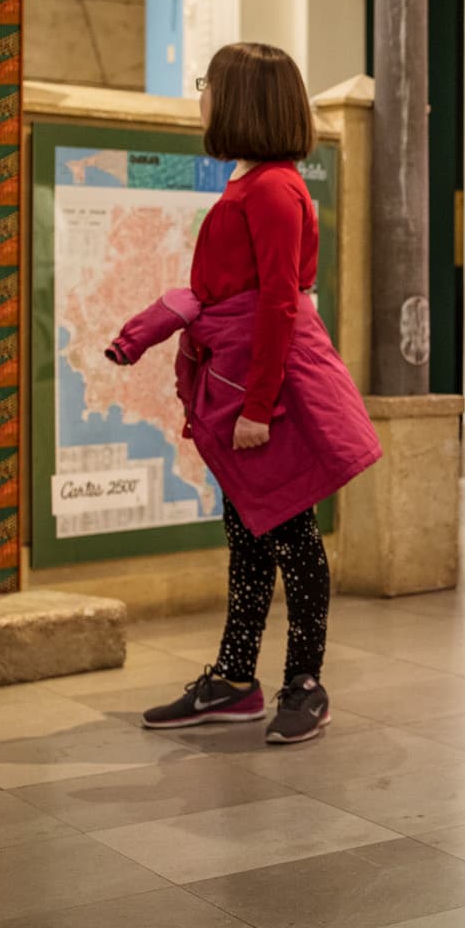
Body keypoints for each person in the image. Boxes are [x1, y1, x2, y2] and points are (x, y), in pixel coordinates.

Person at [112, 42, 381, 745]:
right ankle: (236, 677)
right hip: (243, 383)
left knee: (292, 532)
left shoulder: (272, 189)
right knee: (251, 530)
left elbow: (278, 306)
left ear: (240, 102)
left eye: (208, 84)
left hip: (267, 390)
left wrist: (258, 407)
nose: (201, 94)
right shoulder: (256, 183)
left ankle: (305, 682)